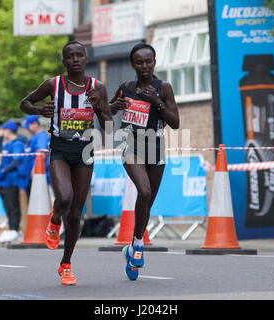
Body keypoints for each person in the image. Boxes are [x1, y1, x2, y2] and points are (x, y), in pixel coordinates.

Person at [20, 41, 113, 286]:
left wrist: (99, 106)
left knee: (76, 213)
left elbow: (109, 126)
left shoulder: (97, 87)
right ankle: (53, 222)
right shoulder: (54, 84)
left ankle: (66, 264)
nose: (74, 60)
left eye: (79, 56)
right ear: (64, 61)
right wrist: (41, 111)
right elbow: (24, 103)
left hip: (85, 151)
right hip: (60, 149)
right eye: (69, 56)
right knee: (64, 197)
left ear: (85, 58)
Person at [109, 43, 179, 281]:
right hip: (131, 144)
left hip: (156, 146)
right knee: (144, 191)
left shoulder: (164, 87)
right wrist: (113, 106)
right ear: (133, 65)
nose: (144, 66)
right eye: (139, 62)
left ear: (155, 62)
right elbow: (105, 112)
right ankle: (138, 246)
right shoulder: (126, 87)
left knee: (147, 201)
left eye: (148, 61)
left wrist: (157, 101)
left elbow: (175, 122)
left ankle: (134, 244)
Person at [0, 120, 27, 243]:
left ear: (9, 130)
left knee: (13, 206)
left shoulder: (17, 144)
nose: (2, 132)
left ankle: (14, 229)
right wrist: (0, 137)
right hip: (4, 181)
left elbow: (16, 161)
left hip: (12, 179)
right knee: (7, 205)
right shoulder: (7, 144)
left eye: (3, 130)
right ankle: (11, 229)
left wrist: (3, 171)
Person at [21, 115, 51, 198]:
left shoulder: (41, 137)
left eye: (28, 126)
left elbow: (41, 155)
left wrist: (35, 170)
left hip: (38, 176)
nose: (27, 129)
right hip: (30, 176)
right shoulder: (32, 138)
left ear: (35, 124)